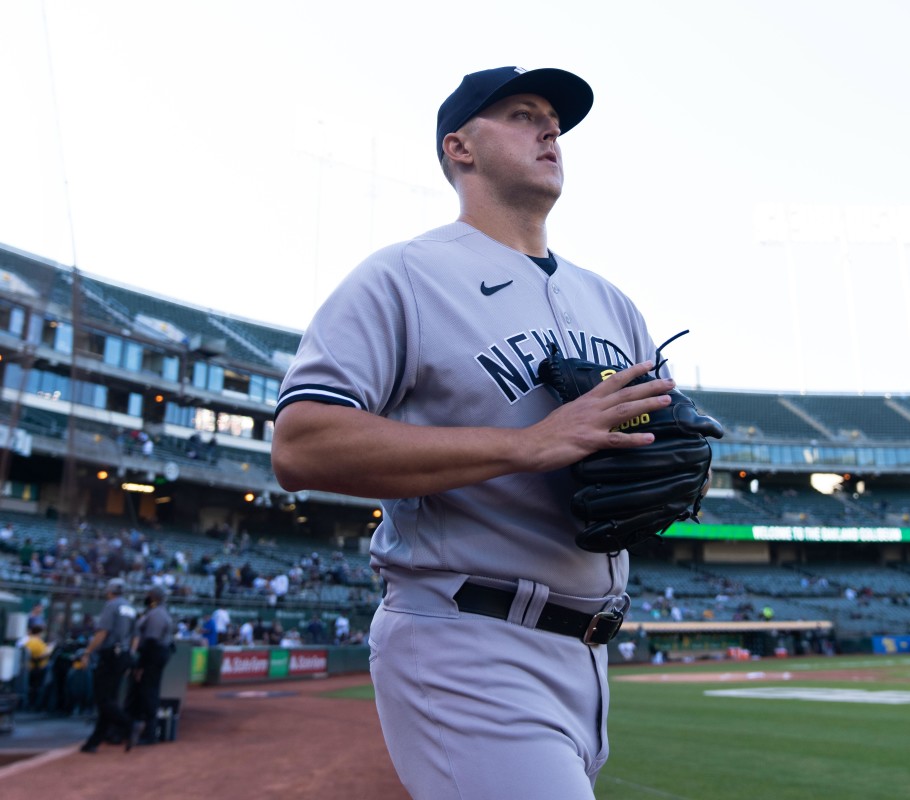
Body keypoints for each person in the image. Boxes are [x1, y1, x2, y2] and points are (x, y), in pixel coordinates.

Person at [271, 65, 678, 799]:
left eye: (553, 119)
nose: (549, 129)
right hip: (464, 638)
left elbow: (644, 444)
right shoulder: (403, 276)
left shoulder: (612, 304)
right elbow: (301, 443)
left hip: (587, 652)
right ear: (460, 147)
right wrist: (529, 444)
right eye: (523, 114)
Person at [79, 578, 138, 753]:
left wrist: (87, 652)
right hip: (124, 654)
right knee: (110, 699)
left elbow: (102, 632)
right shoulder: (130, 608)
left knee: (102, 699)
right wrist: (130, 654)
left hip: (110, 655)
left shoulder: (111, 606)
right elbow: (136, 636)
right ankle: (94, 742)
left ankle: (128, 724)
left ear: (109, 590)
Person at [129, 585, 173, 746]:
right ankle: (146, 730)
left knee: (149, 692)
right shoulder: (158, 612)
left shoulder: (157, 614)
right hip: (156, 654)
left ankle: (150, 733)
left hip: (154, 655)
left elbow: (151, 641)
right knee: (147, 691)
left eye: (148, 595)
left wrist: (140, 664)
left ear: (153, 596)